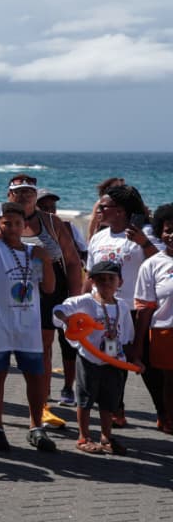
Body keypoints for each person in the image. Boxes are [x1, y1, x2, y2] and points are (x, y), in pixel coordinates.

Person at [0, 175, 78, 430]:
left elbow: (71, 262)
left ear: (35, 195)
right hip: (1, 297)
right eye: (18, 192)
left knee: (43, 351)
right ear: (9, 196)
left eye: (29, 192)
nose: (25, 196)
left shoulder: (51, 222)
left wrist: (74, 298)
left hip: (43, 295)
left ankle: (41, 410)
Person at [0, 202, 58, 452]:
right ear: (0, 224)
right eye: (7, 222)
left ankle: (36, 427)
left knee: (35, 376)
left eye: (17, 223)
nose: (12, 227)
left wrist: (47, 262)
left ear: (25, 225)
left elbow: (49, 288)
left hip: (27, 324)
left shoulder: (34, 253)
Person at [86, 184, 158, 428]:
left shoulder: (144, 232)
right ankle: (117, 410)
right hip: (104, 310)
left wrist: (144, 243)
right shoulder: (99, 237)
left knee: (146, 364)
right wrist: (82, 303)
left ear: (120, 211)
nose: (99, 210)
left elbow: (162, 262)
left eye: (103, 207)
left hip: (134, 310)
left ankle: (164, 412)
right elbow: (90, 274)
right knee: (111, 363)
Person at [54, 261, 135, 454]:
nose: (106, 283)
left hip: (114, 361)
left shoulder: (122, 306)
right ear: (92, 281)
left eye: (111, 279)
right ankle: (84, 437)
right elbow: (60, 309)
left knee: (109, 401)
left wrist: (133, 360)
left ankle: (106, 437)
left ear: (120, 282)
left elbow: (127, 335)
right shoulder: (85, 301)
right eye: (101, 279)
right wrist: (66, 319)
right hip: (89, 359)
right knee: (85, 399)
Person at [134, 203, 173, 433]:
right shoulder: (152, 264)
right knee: (169, 382)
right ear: (160, 231)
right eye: (168, 230)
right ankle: (168, 419)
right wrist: (138, 347)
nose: (172, 235)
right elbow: (144, 308)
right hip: (164, 331)